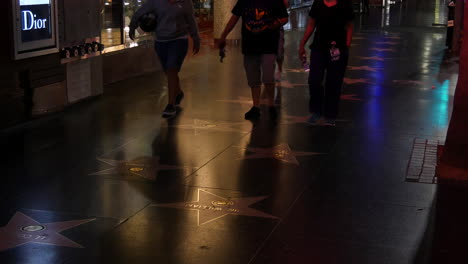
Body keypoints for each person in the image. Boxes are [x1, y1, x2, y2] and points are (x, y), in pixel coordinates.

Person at [217, 0, 289, 120]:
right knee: (253, 78)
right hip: (250, 45)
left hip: (268, 44)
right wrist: (223, 35)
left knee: (268, 76)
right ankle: (256, 106)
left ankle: (271, 104)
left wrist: (275, 23)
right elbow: (234, 18)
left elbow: (284, 18)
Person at [129, 0, 201, 118]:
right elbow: (140, 11)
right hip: (161, 41)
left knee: (172, 69)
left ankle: (170, 104)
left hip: (178, 40)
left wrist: (196, 38)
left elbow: (191, 20)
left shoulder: (185, 2)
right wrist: (132, 26)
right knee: (169, 72)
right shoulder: (156, 2)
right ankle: (178, 93)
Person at [298, 0, 354, 126]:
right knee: (314, 80)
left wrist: (346, 46)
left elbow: (349, 26)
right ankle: (316, 111)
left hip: (338, 49)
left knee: (334, 82)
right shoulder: (318, 3)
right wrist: (302, 44)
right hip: (319, 48)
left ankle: (330, 114)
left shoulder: (345, 4)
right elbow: (311, 25)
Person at [275, 0, 291, 82]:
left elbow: (286, 4)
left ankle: (279, 69)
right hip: (264, 26)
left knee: (279, 51)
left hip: (278, 25)